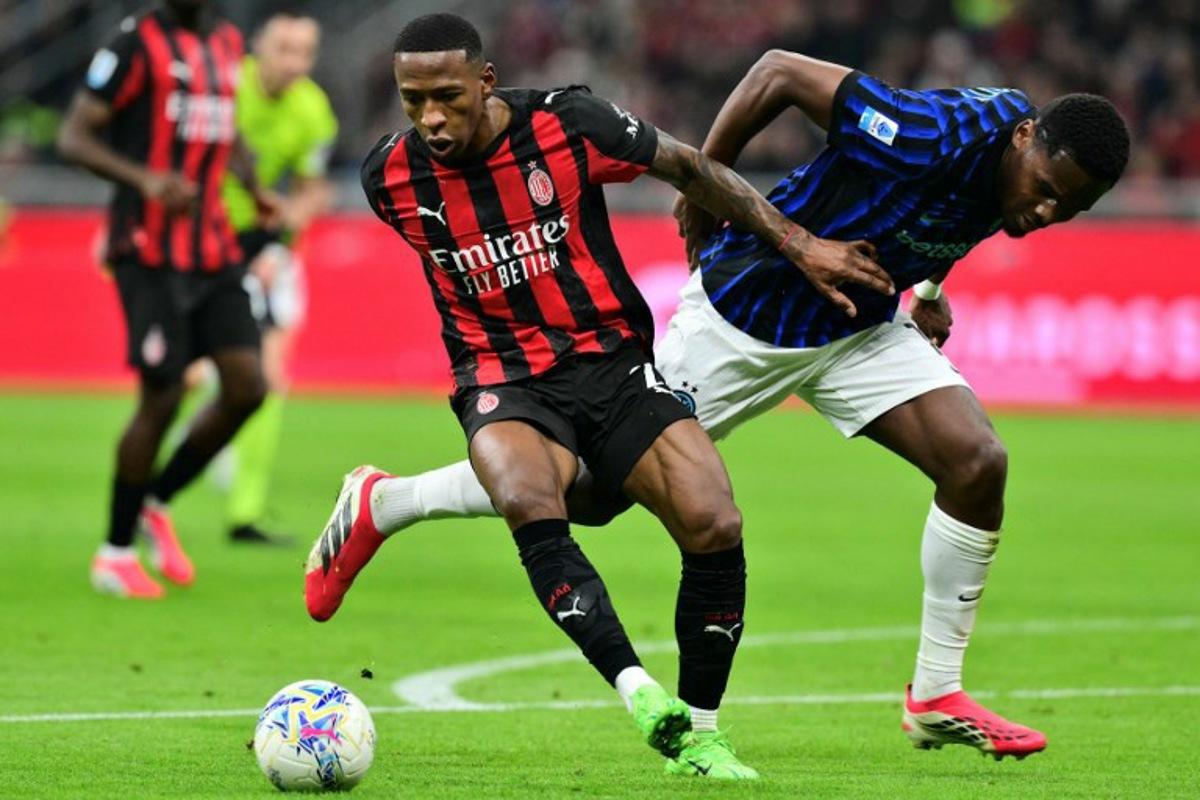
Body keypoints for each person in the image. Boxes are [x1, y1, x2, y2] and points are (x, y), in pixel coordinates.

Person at [307, 48, 1131, 765]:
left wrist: (926, 287)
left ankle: (936, 695)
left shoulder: (1020, 172)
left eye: (1073, 208)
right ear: (1026, 140)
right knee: (590, 496)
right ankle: (386, 501)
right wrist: (706, 182)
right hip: (745, 315)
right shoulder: (929, 128)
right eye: (1049, 190)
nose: (1048, 212)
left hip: (856, 323)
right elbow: (776, 72)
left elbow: (945, 213)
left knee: (978, 463)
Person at [304, 14, 893, 779]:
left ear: (486, 82)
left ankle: (704, 735)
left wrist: (798, 243)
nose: (431, 119)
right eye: (413, 100)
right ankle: (642, 694)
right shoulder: (387, 176)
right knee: (526, 493)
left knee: (713, 518)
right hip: (501, 376)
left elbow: (688, 166)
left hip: (609, 365)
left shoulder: (569, 123)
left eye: (447, 97)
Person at [58, 0, 278, 598]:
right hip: (148, 251)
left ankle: (157, 498)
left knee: (247, 386)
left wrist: (254, 186)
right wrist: (145, 179)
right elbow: (73, 136)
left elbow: (224, 130)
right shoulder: (133, 43)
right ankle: (115, 553)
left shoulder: (229, 41)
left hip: (214, 249)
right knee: (164, 392)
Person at [217, 10, 337, 545]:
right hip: (202, 235)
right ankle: (199, 445)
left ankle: (245, 511)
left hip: (264, 242)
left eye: (305, 52)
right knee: (193, 374)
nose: (294, 62)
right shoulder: (225, 85)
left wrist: (283, 238)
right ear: (258, 48)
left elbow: (312, 188)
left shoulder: (313, 110)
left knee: (271, 378)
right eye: (284, 48)